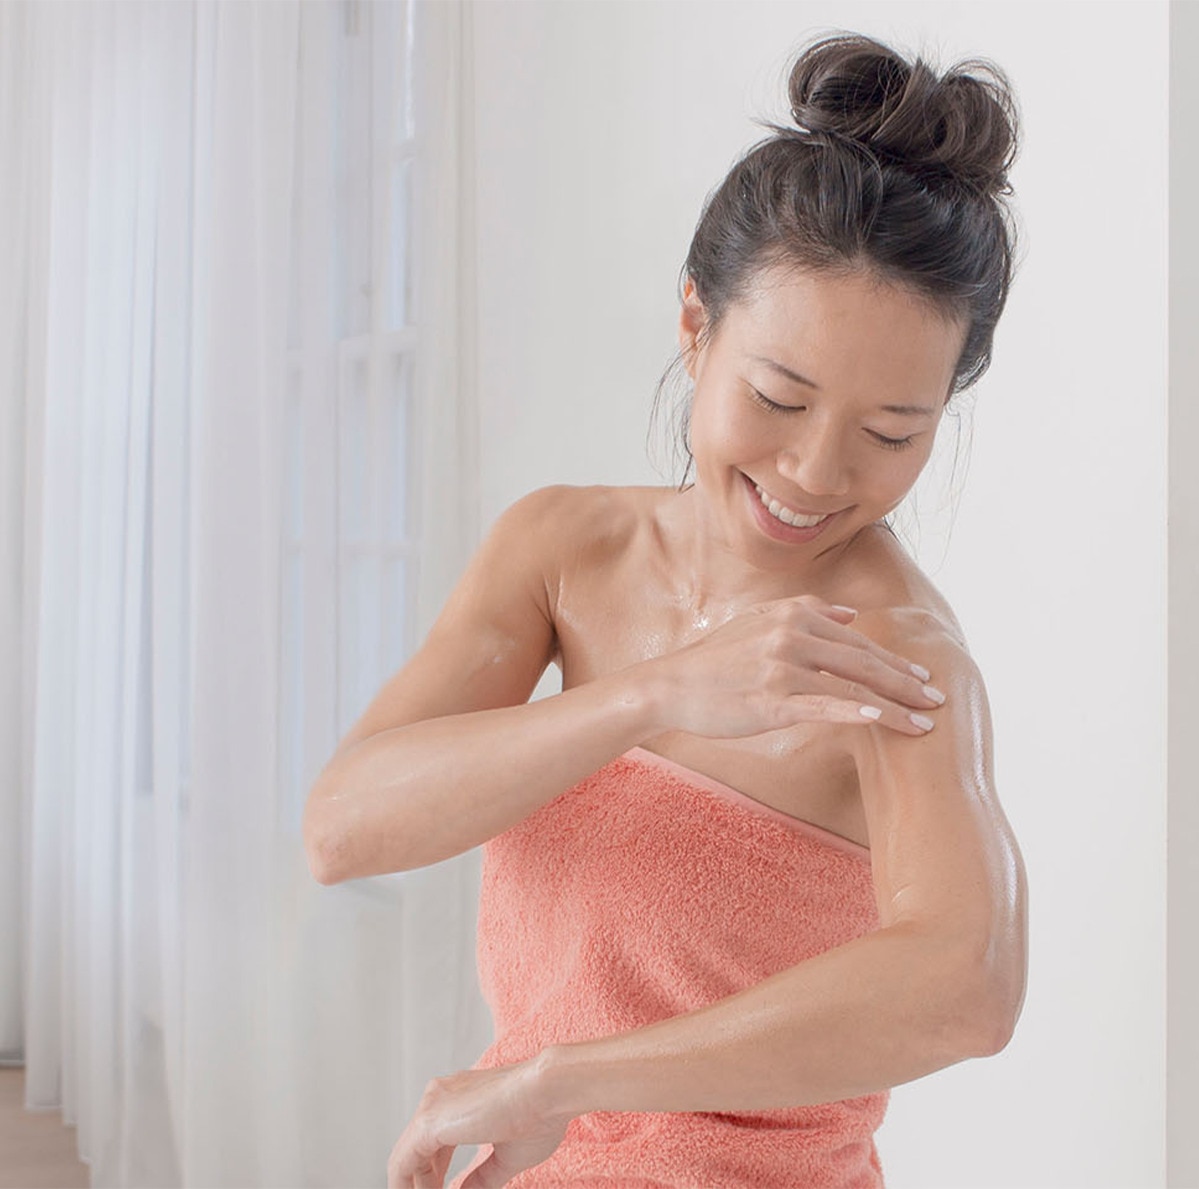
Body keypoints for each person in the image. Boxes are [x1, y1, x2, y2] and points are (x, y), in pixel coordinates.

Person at [300, 31, 1029, 1189]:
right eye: (779, 397)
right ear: (696, 326)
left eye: (894, 432)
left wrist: (558, 1077)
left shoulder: (894, 654)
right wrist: (648, 698)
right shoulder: (560, 549)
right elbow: (345, 829)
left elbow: (968, 984)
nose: (815, 473)